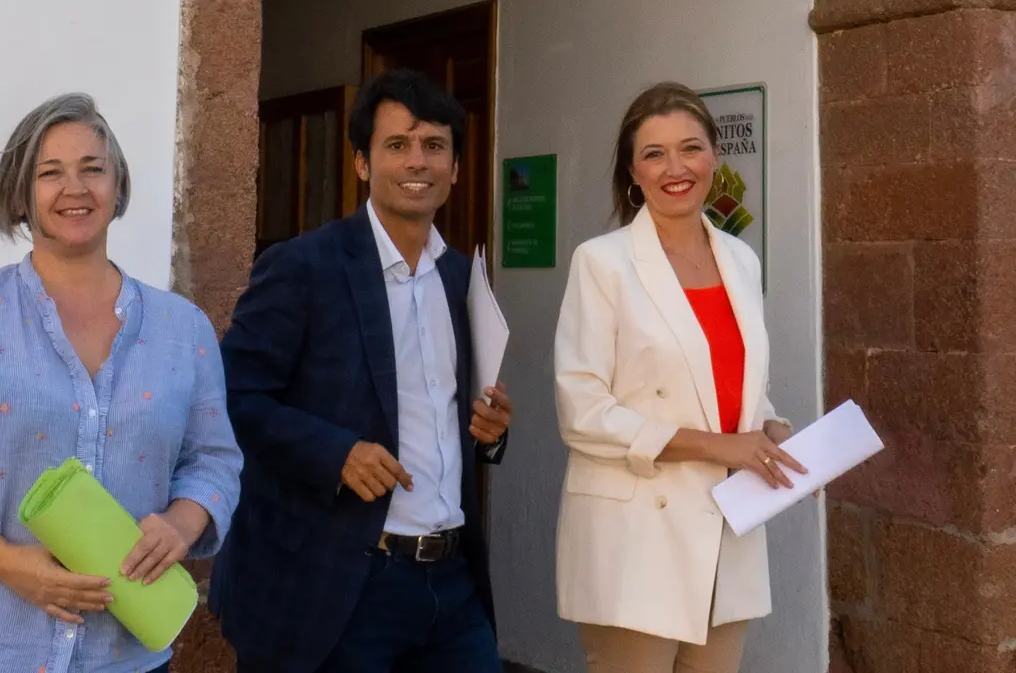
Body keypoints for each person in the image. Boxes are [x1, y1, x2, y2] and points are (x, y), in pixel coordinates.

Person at [0, 93, 243, 673]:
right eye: (50, 173)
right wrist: (14, 566)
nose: (75, 188)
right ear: (20, 195)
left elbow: (214, 460)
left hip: (126, 655)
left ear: (117, 186)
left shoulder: (182, 329)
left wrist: (181, 522)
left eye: (93, 168)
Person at [210, 68, 513, 673]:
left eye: (434, 146)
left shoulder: (460, 278)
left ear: (455, 167)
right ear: (362, 164)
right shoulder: (303, 267)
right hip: (338, 586)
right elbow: (231, 398)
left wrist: (493, 430)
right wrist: (335, 453)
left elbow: (450, 414)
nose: (417, 162)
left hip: (449, 583)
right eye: (396, 145)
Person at [552, 82, 805, 673]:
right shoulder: (602, 262)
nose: (676, 168)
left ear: (715, 157)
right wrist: (721, 446)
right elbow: (583, 411)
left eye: (690, 148)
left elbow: (734, 384)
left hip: (726, 533)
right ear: (632, 172)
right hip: (635, 538)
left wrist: (774, 430)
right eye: (654, 153)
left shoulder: (741, 260)